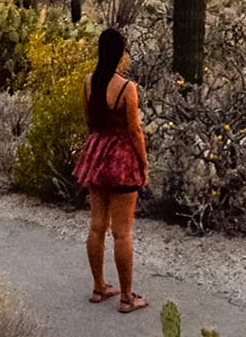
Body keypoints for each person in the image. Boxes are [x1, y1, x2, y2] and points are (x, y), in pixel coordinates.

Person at [72, 27, 149, 313]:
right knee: (122, 232)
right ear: (120, 53)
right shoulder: (127, 88)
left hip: (95, 155)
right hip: (121, 161)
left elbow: (89, 120)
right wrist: (143, 164)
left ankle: (98, 287)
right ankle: (127, 297)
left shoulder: (88, 82)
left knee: (96, 226)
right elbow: (135, 130)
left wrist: (97, 147)